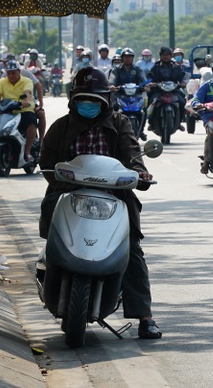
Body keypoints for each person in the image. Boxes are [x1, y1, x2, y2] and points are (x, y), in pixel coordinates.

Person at [38, 68, 162, 339]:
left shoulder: (119, 123)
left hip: (114, 197)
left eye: (95, 100)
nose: (89, 104)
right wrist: (57, 176)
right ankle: (48, 272)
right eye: (84, 99)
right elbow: (46, 161)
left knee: (132, 249)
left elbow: (131, 152)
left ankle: (145, 316)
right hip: (69, 193)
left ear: (105, 99)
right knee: (52, 236)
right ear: (73, 99)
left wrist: (140, 172)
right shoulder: (61, 127)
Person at [0, 59, 39, 162]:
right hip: (7, 111)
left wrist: (27, 101)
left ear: (19, 71)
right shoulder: (2, 81)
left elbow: (27, 92)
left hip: (23, 110)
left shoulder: (26, 81)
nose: (11, 75)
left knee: (32, 122)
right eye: (9, 73)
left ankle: (27, 152)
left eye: (13, 73)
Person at [147, 46, 187, 132]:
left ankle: (179, 122)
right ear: (160, 56)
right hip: (158, 91)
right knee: (151, 101)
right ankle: (151, 122)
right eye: (163, 55)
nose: (165, 57)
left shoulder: (176, 67)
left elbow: (181, 77)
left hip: (174, 91)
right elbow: (150, 77)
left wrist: (183, 83)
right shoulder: (156, 67)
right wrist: (151, 83)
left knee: (182, 102)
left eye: (168, 55)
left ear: (171, 56)